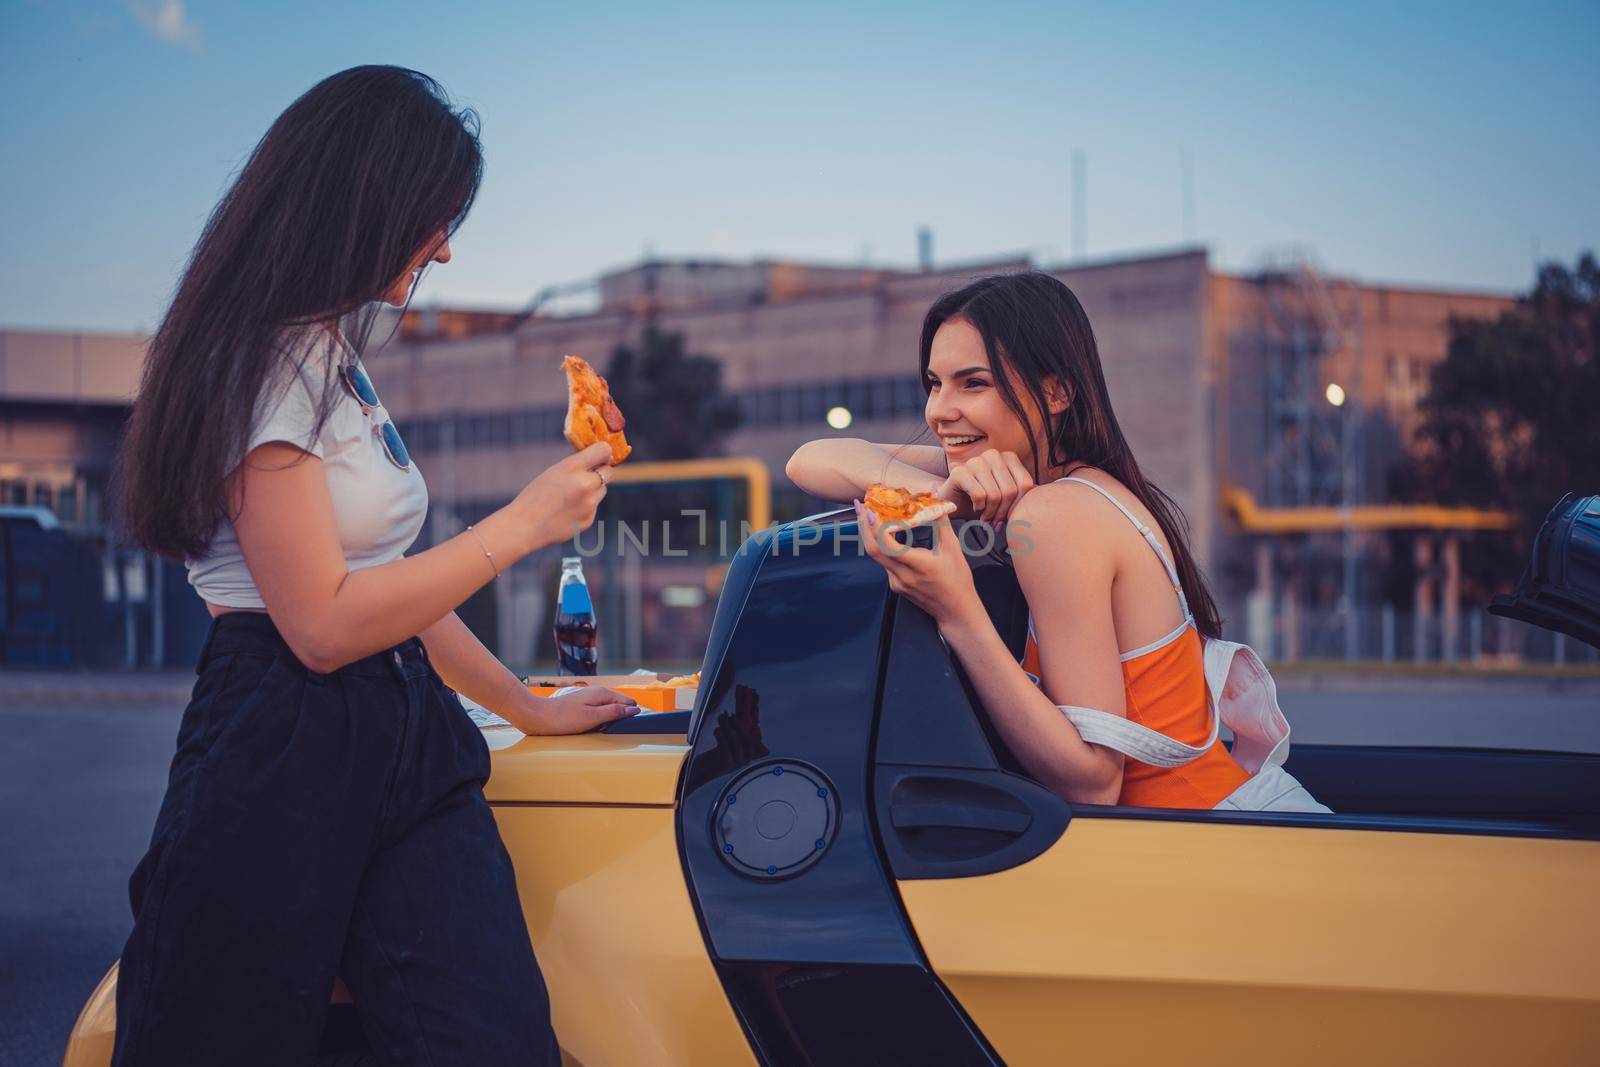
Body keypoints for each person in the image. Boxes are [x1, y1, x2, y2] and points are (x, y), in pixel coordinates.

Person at [111, 66, 634, 1066]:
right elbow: (322, 622)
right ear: (365, 200)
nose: (446, 244)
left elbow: (390, 587)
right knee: (219, 1034)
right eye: (436, 215)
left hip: (404, 726)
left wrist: (525, 704)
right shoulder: (261, 362)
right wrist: (521, 523)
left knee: (491, 1036)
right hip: (280, 729)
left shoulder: (331, 355)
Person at [787, 271, 1257, 809]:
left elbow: (1093, 784)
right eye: (935, 382)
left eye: (974, 383)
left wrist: (956, 610)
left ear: (1055, 392)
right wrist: (942, 493)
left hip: (1200, 846)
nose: (939, 409)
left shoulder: (1054, 512)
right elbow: (810, 459)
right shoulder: (1065, 481)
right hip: (1206, 835)